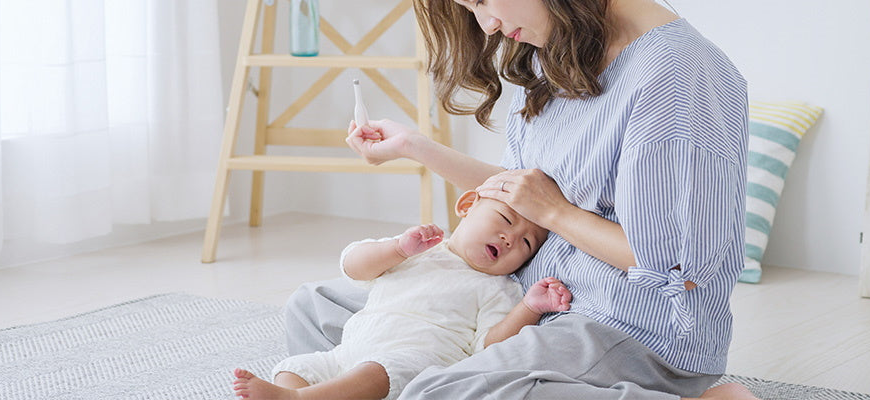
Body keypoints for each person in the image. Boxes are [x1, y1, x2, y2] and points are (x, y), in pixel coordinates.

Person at [288, 0, 759, 398]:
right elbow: (522, 193)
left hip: (622, 324)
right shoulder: (556, 50)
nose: (486, 24)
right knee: (317, 306)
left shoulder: (677, 76)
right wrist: (413, 146)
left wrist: (556, 213)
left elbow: (679, 266)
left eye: (483, 1)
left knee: (436, 391)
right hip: (519, 294)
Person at [233, 190, 572, 400]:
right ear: (468, 205)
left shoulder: (497, 288)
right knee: (297, 365)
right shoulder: (419, 249)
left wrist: (529, 307)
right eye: (504, 219)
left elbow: (490, 346)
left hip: (417, 363)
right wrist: (396, 248)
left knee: (380, 371)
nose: (510, 238)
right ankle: (296, 390)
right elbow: (353, 265)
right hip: (351, 350)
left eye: (527, 243)